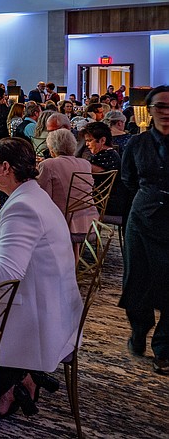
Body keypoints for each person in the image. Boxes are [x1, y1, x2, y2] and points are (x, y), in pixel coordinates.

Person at [0, 138, 82, 415]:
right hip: (52, 301)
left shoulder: (22, 207)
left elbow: (5, 273)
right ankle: (19, 379)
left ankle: (6, 381)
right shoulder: (32, 195)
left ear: (4, 168)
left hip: (34, 318)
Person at [120, 85, 169, 374]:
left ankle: (164, 349)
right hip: (141, 221)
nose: (166, 112)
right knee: (137, 283)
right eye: (160, 106)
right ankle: (139, 330)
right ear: (149, 110)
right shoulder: (137, 143)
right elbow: (128, 179)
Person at [36, 129, 97, 234]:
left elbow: (42, 197)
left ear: (51, 149)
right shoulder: (85, 164)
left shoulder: (48, 165)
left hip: (62, 225)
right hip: (91, 222)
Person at [83, 121, 126, 218]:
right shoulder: (111, 154)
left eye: (89, 140)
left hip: (105, 206)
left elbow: (84, 171)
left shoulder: (105, 157)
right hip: (106, 203)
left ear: (102, 140)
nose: (86, 144)